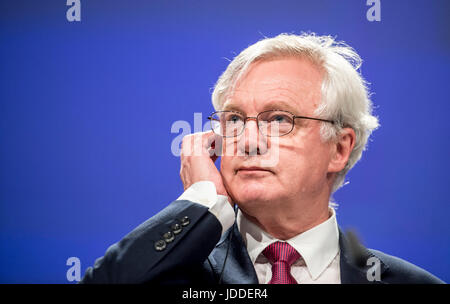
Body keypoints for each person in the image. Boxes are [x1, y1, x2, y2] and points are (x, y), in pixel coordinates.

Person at [80, 33, 444, 284]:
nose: (249, 140)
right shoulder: (171, 271)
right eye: (234, 120)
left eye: (279, 119)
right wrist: (202, 202)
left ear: (339, 148)